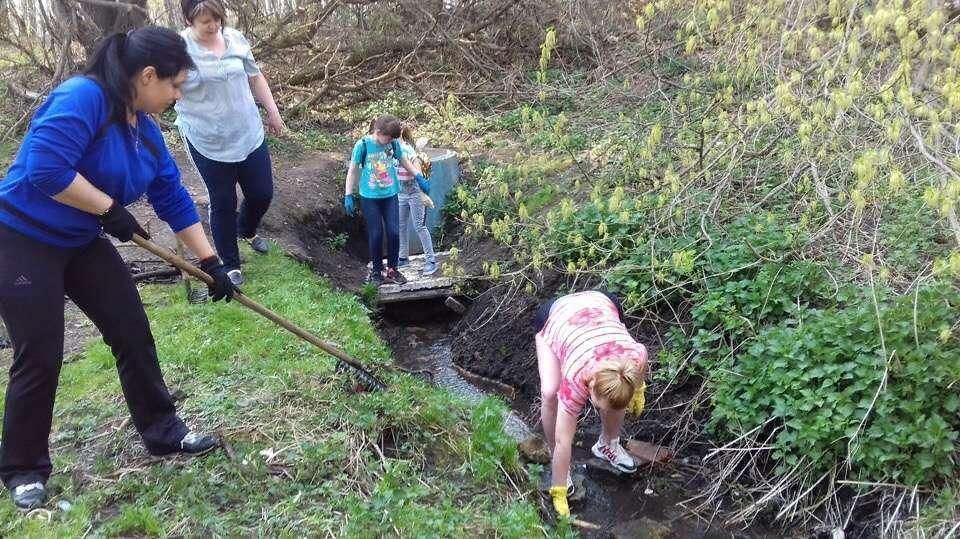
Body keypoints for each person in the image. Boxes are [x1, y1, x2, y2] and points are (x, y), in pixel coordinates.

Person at [0, 27, 236, 511]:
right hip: (20, 237)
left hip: (79, 241)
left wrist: (210, 261)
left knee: (132, 329)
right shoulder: (82, 97)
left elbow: (171, 194)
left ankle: (164, 431)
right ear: (148, 76)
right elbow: (45, 168)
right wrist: (108, 207)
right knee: (41, 350)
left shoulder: (143, 129)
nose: (176, 96)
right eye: (173, 86)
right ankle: (22, 468)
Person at [175, 0, 286, 287]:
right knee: (222, 200)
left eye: (217, 19)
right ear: (189, 21)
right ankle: (231, 264)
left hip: (247, 132)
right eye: (205, 22)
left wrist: (272, 110)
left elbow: (255, 76)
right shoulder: (178, 50)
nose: (213, 26)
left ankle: (246, 229)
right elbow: (168, 87)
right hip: (207, 138)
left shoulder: (235, 38)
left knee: (261, 194)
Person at [533, 290, 648, 517]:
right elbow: (564, 439)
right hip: (554, 316)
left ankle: (607, 445)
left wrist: (637, 392)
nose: (599, 410)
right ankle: (559, 468)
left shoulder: (634, 356)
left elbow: (640, 367)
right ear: (591, 385)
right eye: (598, 404)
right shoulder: (576, 377)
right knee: (549, 392)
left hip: (601, 303)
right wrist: (558, 489)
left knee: (616, 396)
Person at [343, 115, 429, 285]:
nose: (389, 141)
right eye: (387, 137)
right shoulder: (363, 145)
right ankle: (376, 271)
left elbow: (403, 160)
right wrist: (348, 194)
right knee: (376, 234)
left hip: (390, 195)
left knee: (394, 232)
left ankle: (392, 269)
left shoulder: (393, 144)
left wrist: (418, 175)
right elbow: (352, 170)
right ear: (378, 131)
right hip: (370, 197)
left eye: (392, 139)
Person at [396, 123, 439, 276]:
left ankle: (431, 260)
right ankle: (403, 257)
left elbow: (417, 168)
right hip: (401, 193)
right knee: (400, 225)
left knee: (419, 226)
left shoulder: (407, 149)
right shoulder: (390, 149)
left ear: (400, 132)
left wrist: (422, 189)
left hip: (414, 192)